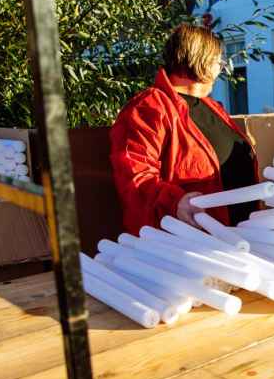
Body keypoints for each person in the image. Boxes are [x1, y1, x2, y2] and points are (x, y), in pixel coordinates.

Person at [110, 23, 260, 235]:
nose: (220, 68)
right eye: (218, 61)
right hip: (193, 242)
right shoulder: (149, 107)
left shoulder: (212, 107)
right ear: (201, 59)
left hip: (242, 234)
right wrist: (175, 202)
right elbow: (135, 176)